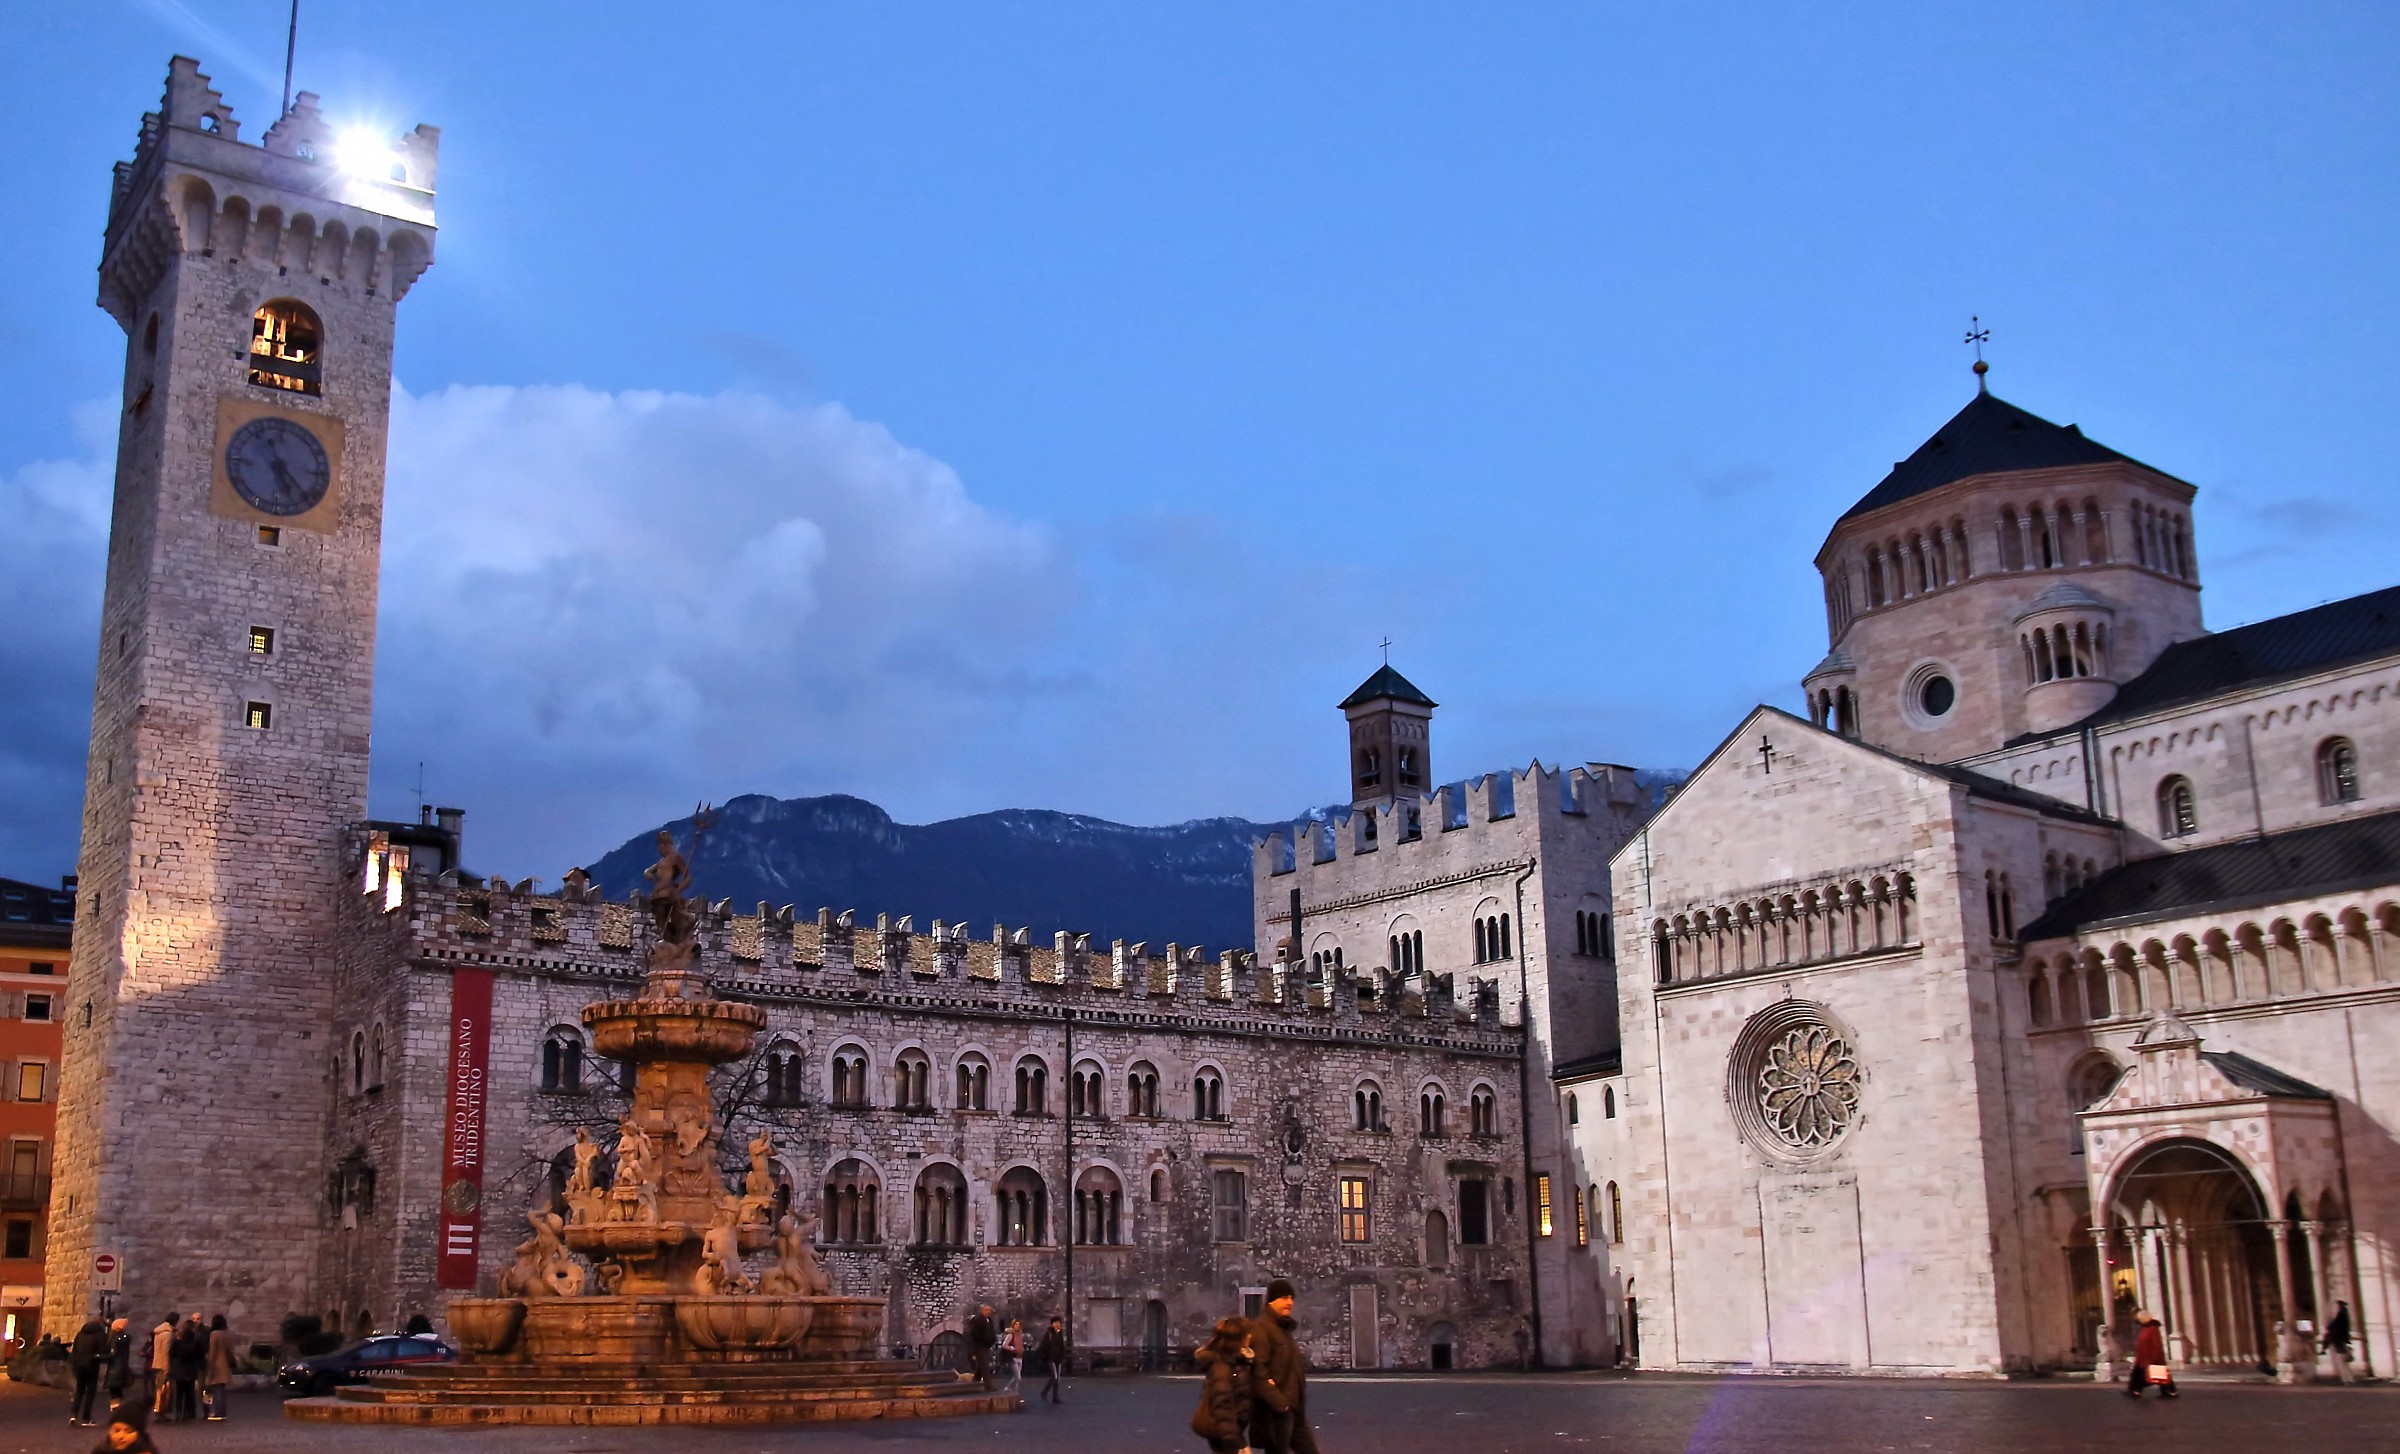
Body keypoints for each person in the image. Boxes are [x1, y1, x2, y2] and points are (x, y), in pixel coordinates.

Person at [1248, 1279, 1319, 1454]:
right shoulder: (1262, 1329)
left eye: (1291, 1298)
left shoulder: (1282, 1329)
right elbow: (1258, 1373)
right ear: (1272, 1300)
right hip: (1276, 1413)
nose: (1290, 1302)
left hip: (1294, 1411)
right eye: (1285, 1298)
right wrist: (1280, 1404)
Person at [1191, 1316, 1256, 1454]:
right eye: (1247, 1335)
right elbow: (1223, 1408)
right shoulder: (1222, 1369)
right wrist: (1237, 1443)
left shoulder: (1236, 1364)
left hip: (1230, 1431)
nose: (1251, 1337)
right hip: (1224, 1433)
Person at [69, 1312, 110, 1426]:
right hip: (91, 1365)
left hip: (78, 1365)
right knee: (90, 1392)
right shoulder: (100, 1335)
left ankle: (73, 1415)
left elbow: (75, 1350)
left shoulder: (80, 1334)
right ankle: (86, 1418)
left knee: (79, 1390)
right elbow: (103, 1351)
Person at [2126, 1309, 2176, 1399]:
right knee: (2138, 1374)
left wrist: (2154, 1358)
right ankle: (2134, 1390)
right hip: (2142, 1357)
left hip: (2151, 1357)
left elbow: (2156, 1344)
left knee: (2155, 1375)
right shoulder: (2145, 1328)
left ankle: (2137, 1390)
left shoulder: (2153, 1328)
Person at [167, 1313, 204, 1422]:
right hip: (191, 1369)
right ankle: (188, 1413)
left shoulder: (177, 1339)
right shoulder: (196, 1340)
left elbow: (171, 1353)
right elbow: (199, 1354)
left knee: (179, 1393)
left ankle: (178, 1413)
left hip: (179, 1369)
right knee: (189, 1392)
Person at [91, 1402, 157, 1454]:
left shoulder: (146, 1451)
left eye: (129, 1431)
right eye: (116, 1431)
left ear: (140, 1434)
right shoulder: (101, 1451)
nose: (121, 1436)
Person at [203, 1313, 234, 1421]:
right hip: (226, 1365)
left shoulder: (215, 1334)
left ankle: (218, 1412)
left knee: (217, 1390)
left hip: (217, 1365)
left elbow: (213, 1351)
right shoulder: (227, 1334)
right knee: (221, 1390)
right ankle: (222, 1411)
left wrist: (209, 1360)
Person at [145, 1315, 175, 1415]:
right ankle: (160, 1408)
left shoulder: (158, 1332)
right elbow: (166, 1350)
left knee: (158, 1387)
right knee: (164, 1389)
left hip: (157, 1362)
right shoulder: (168, 1334)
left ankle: (158, 1407)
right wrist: (168, 1367)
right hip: (164, 1363)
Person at [2322, 1300, 2357, 1384]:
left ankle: (2347, 1379)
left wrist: (2324, 1348)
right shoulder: (2344, 1316)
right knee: (2344, 1362)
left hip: (2339, 1343)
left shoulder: (2340, 1318)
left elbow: (2330, 1335)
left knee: (2342, 1362)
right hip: (2342, 1341)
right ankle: (2349, 1378)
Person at [965, 1304, 996, 1389]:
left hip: (986, 1345)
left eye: (989, 1310)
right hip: (979, 1345)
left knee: (981, 1365)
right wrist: (973, 1351)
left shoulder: (989, 1320)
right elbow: (973, 1334)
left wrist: (992, 1339)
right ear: (982, 1311)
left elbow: (991, 1331)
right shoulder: (978, 1320)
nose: (989, 1312)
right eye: (986, 1310)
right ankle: (988, 1385)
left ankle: (975, 1381)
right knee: (985, 1365)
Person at [1038, 1316, 1068, 1405]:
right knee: (1054, 1377)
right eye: (1056, 1322)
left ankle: (1054, 1397)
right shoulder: (1049, 1333)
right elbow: (1044, 1345)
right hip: (1051, 1358)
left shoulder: (1060, 1333)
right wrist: (1048, 1354)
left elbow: (1062, 1345)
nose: (1058, 1324)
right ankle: (1045, 1392)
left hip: (1058, 1358)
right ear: (1052, 1324)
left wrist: (1062, 1355)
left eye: (1059, 1322)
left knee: (1057, 1378)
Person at [104, 1319, 133, 1408]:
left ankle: (116, 1405)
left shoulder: (114, 1338)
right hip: (120, 1365)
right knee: (117, 1389)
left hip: (115, 1366)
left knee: (114, 1389)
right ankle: (118, 1404)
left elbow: (113, 1353)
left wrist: (99, 1357)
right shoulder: (122, 1337)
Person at [999, 1318, 1025, 1393]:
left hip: (1020, 1356)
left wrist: (1021, 1348)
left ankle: (1015, 1391)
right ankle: (1008, 1388)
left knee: (1016, 1377)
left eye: (1019, 1325)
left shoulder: (1020, 1335)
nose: (1017, 1326)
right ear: (1013, 1325)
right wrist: (1012, 1348)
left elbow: (1020, 1344)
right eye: (1016, 1324)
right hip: (1012, 1357)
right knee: (1018, 1377)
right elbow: (1004, 1345)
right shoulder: (1011, 1335)